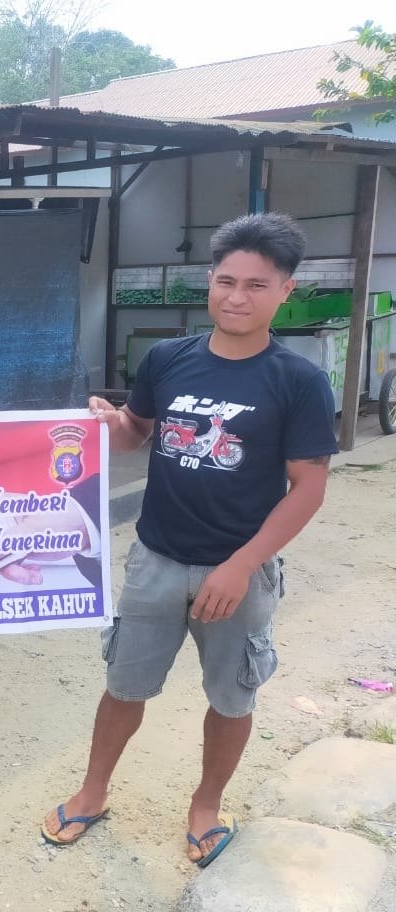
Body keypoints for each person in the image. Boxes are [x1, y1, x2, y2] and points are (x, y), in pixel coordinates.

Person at [41, 212, 336, 867]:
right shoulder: (167, 359)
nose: (237, 297)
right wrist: (109, 422)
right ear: (210, 280)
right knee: (124, 687)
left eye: (257, 285)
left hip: (239, 574)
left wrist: (242, 565)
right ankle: (93, 791)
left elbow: (308, 488)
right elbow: (135, 433)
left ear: (286, 290)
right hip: (156, 560)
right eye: (226, 281)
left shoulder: (298, 382)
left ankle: (206, 804)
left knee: (231, 697)